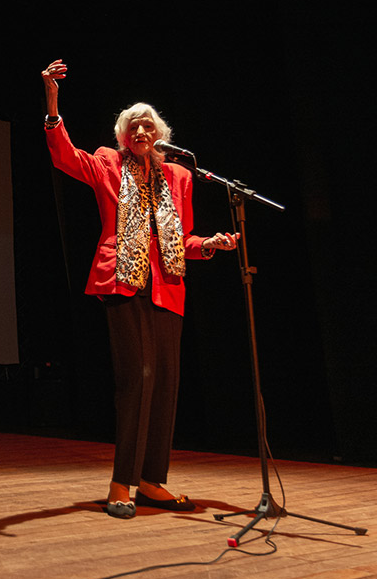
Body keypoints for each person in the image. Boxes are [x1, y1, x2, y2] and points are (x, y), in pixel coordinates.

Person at [41, 58, 240, 519]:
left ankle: (151, 480)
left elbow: (184, 240)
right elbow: (65, 157)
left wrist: (209, 244)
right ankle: (120, 482)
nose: (141, 131)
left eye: (148, 125)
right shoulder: (109, 164)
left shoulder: (180, 178)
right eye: (133, 126)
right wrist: (53, 101)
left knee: (167, 382)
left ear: (161, 135)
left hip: (166, 286)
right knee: (138, 379)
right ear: (122, 136)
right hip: (122, 281)